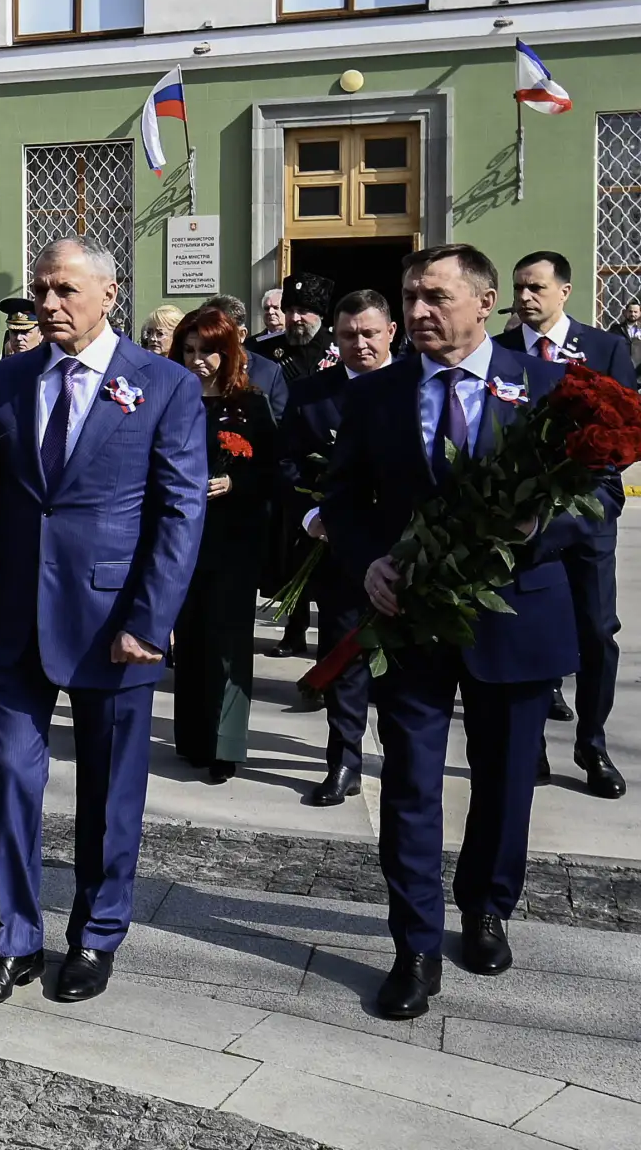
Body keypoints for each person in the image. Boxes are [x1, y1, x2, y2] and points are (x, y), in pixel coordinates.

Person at [321, 242, 617, 1019]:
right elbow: (344, 501)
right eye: (410, 295)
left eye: (435, 298)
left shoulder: (550, 388)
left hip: (517, 617)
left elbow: (603, 499)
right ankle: (414, 943)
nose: (416, 312)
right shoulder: (375, 395)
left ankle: (486, 908)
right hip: (410, 620)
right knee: (411, 785)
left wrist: (534, 527)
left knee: (505, 781)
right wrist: (369, 563)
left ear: (484, 303)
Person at [0, 236, 207, 1008]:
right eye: (40, 290)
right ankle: (13, 941)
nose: (48, 304)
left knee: (109, 788)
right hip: (9, 614)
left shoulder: (162, 385)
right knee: (7, 777)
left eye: (64, 289)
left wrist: (152, 618)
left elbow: (179, 508)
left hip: (113, 621)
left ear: (108, 294)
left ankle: (96, 934)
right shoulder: (8, 379)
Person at [496, 250, 633, 797]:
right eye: (519, 287)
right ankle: (531, 748)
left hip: (586, 515)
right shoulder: (500, 353)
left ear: (564, 291)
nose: (525, 298)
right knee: (525, 628)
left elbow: (628, 431)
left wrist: (579, 484)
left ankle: (592, 744)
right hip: (517, 519)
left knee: (597, 630)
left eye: (536, 287)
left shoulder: (604, 348)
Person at [281, 289, 396, 807]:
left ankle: (405, 755)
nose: (360, 344)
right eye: (348, 335)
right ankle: (344, 758)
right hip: (338, 547)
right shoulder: (311, 395)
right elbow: (285, 466)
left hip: (410, 548)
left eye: (370, 333)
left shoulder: (419, 383)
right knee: (343, 655)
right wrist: (311, 517)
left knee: (405, 659)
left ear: (391, 332)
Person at [168, 307, 275, 784]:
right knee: (189, 639)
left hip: (232, 540)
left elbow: (274, 471)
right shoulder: (169, 397)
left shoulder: (250, 405)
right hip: (179, 538)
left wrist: (236, 481)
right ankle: (192, 738)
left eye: (208, 351)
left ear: (228, 352)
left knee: (227, 641)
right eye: (189, 351)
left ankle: (226, 744)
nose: (198, 361)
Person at [205, 296, 287, 420]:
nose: (211, 338)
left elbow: (281, 423)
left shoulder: (268, 372)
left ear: (241, 335)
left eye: (220, 332)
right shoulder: (193, 368)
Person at [247, 274, 333, 384]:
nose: (294, 318)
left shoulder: (338, 344)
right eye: (290, 311)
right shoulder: (262, 347)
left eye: (302, 311)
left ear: (319, 315)